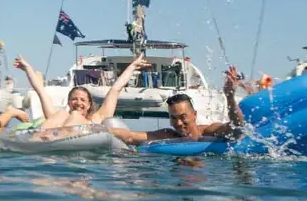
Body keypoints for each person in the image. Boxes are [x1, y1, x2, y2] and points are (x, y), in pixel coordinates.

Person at [110, 65, 246, 145]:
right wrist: (95, 130)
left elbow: (237, 126)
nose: (179, 123)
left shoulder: (209, 131)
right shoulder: (169, 136)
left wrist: (229, 97)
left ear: (194, 115)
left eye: (183, 117)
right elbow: (130, 136)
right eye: (173, 118)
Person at [15, 53, 150, 129]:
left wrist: (132, 67)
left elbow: (115, 90)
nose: (78, 102)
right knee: (62, 114)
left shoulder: (98, 118)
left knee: (74, 116)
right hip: (53, 144)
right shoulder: (58, 116)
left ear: (89, 104)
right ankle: (38, 138)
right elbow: (40, 91)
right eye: (74, 99)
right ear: (68, 102)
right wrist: (27, 68)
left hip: (78, 147)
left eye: (82, 100)